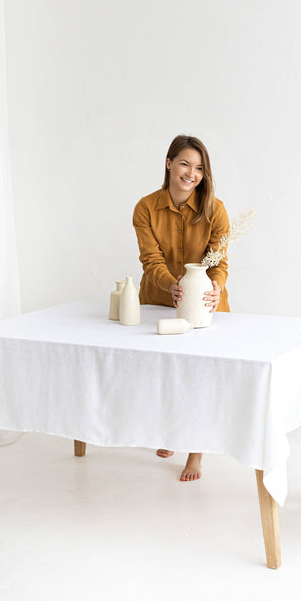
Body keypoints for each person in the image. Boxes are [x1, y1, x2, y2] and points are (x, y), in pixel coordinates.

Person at [133, 134, 230, 482]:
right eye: (186, 164)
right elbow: (150, 259)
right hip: (161, 300)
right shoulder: (145, 207)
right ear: (169, 163)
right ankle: (168, 430)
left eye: (199, 168)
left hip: (204, 305)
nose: (192, 173)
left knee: (199, 376)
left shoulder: (215, 209)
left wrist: (216, 286)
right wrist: (170, 284)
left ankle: (196, 453)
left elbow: (219, 261)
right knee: (161, 372)